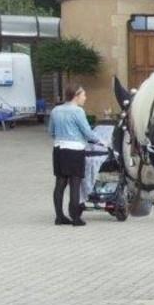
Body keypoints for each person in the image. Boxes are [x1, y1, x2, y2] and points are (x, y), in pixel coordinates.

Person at [48, 85, 97, 226]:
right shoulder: (78, 111)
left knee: (60, 183)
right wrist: (100, 140)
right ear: (76, 96)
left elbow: (51, 131)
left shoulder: (56, 110)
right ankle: (75, 218)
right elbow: (87, 133)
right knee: (75, 184)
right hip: (74, 151)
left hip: (58, 149)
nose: (85, 98)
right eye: (83, 95)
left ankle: (59, 217)